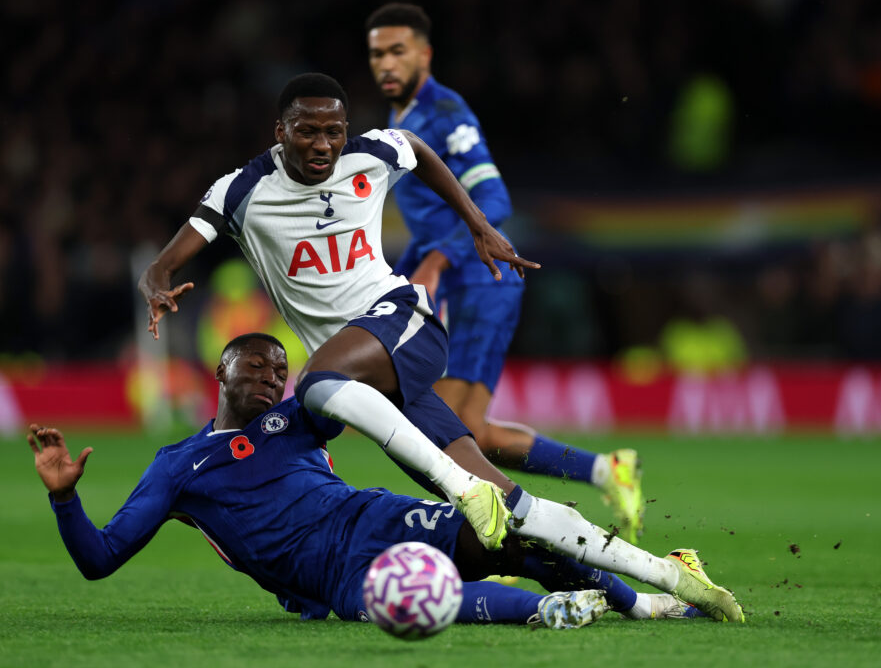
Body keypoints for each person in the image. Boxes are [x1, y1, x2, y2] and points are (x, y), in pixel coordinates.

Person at [138, 73, 744, 622]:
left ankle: (464, 489)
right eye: (308, 132)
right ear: (281, 131)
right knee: (516, 514)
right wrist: (157, 287)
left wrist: (478, 223)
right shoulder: (241, 190)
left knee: (317, 384)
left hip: (403, 324)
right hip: (367, 382)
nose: (323, 145)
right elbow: (163, 264)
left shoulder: (370, 153)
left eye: (333, 132)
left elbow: (419, 149)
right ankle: (664, 585)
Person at [27, 333, 708, 627]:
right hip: (332, 577)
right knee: (413, 602)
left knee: (511, 540)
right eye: (254, 365)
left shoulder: (299, 418)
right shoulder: (179, 466)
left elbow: (352, 397)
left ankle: (647, 603)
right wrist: (65, 497)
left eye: (278, 369)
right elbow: (100, 557)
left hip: (373, 517)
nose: (270, 376)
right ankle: (547, 611)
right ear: (221, 372)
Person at [365, 2, 644, 543]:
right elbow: (429, 225)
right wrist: (397, 275)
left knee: (448, 432)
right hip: (457, 282)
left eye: (398, 51)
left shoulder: (446, 113)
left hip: (479, 282)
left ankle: (502, 544)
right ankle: (604, 471)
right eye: (378, 54)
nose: (386, 63)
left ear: (425, 54)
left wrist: (439, 259)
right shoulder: (402, 120)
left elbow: (493, 198)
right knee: (469, 432)